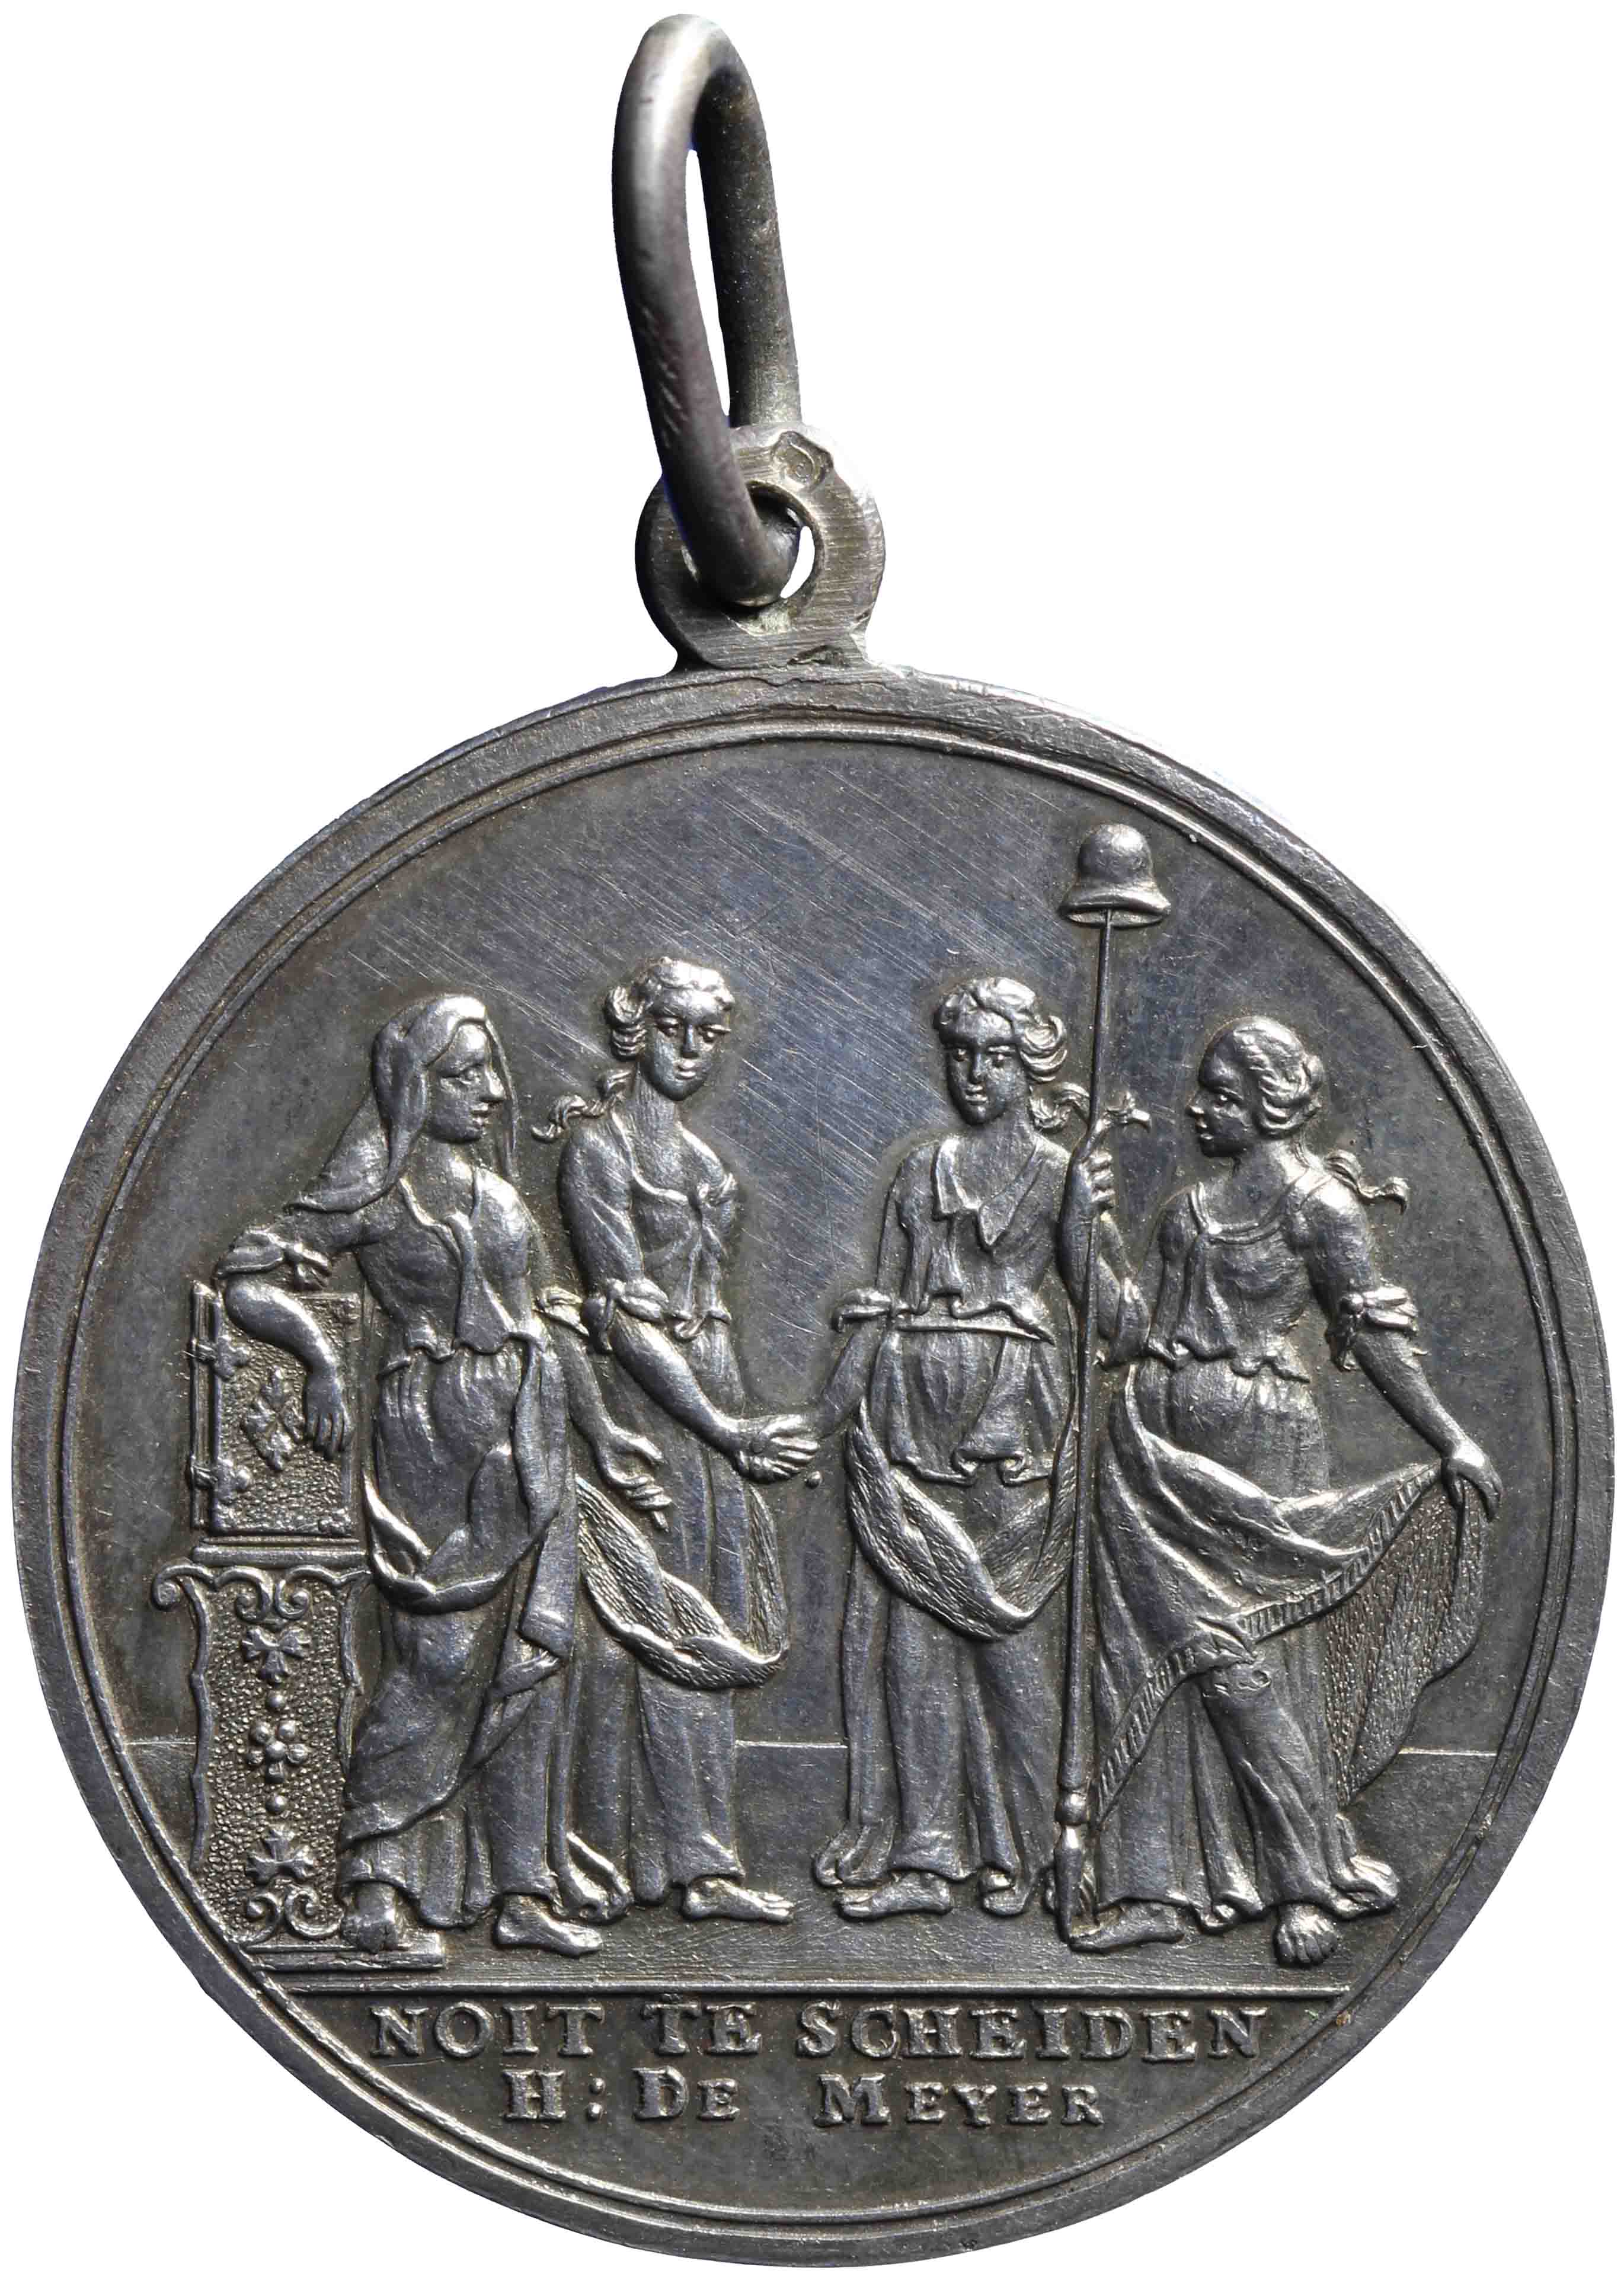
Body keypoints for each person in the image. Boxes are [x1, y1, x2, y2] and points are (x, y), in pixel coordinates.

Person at [219, 993, 664, 1960]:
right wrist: (320, 1359)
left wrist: (603, 1434)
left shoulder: (501, 1198)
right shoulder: (375, 1196)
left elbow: (543, 1321)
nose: (493, 1091)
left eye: (491, 1070)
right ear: (416, 1087)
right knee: (439, 1660)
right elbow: (248, 1280)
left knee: (531, 1660)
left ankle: (519, 1889)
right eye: (467, 1075)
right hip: (429, 1435)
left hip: (529, 1434)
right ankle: (375, 1880)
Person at [1070, 1015, 1500, 1965]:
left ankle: (1300, 1881)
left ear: (1268, 1105)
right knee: (1140, 1662)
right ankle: (1153, 1886)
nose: (1197, 1108)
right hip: (1152, 1447)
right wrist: (1086, 1227)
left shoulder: (1321, 1209)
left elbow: (1374, 1333)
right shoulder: (1185, 1212)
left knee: (1253, 1668)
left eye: (1219, 1094)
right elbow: (1128, 1331)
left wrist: (1449, 1436)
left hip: (1264, 1448)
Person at [806, 977, 1092, 1919]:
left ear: (1030, 1065)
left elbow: (1112, 1322)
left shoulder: (1062, 1174)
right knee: (914, 1650)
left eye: (996, 1056)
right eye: (962, 1054)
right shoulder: (921, 1170)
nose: (975, 1073)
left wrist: (1102, 1228)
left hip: (1012, 1423)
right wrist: (825, 1419)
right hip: (910, 1416)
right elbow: (885, 1304)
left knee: (1011, 1643)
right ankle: (927, 1858)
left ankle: (1037, 1849)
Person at [546, 957, 814, 1923]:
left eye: (710, 1033)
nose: (693, 1050)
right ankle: (612, 1856)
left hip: (711, 1395)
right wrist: (722, 1426)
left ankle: (701, 1866)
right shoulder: (598, 1152)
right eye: (674, 1028)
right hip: (643, 1409)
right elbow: (623, 1320)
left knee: (706, 1625)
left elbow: (701, 1310)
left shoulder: (705, 1166)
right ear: (636, 1029)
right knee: (637, 1630)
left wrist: (730, 1422)